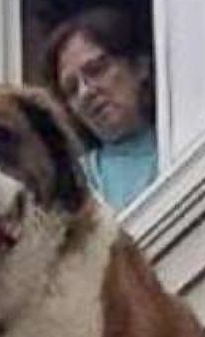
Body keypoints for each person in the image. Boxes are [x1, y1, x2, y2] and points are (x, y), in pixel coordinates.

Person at [43, 6, 157, 211]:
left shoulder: (181, 142)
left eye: (97, 70)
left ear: (140, 66)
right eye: (71, 89)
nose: (85, 92)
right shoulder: (77, 184)